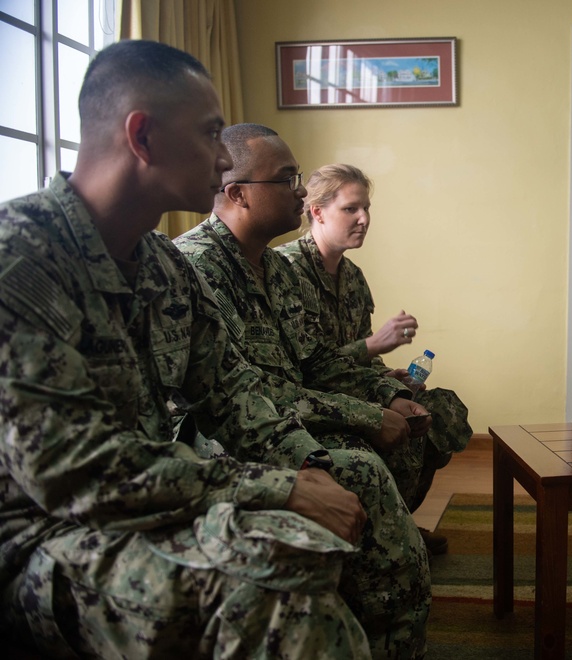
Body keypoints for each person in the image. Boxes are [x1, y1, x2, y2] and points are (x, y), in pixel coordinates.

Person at [0, 40, 372, 658]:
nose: (224, 156)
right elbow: (76, 473)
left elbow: (233, 392)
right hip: (39, 533)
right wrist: (273, 489)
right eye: (211, 133)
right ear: (142, 137)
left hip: (152, 500)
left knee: (321, 535)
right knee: (275, 597)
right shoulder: (22, 261)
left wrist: (312, 470)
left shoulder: (164, 268)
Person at [174, 123, 431, 658]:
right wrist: (362, 417)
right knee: (361, 467)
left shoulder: (273, 267)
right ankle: (375, 613)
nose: (299, 190)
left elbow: (314, 363)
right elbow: (242, 394)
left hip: (284, 416)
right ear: (236, 193)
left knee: (404, 433)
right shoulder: (196, 267)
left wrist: (382, 398)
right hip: (225, 437)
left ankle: (368, 608)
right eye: (286, 179)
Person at [277, 163, 473, 555]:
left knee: (438, 410)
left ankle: (401, 522)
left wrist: (390, 376)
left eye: (366, 208)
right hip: (311, 398)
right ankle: (383, 537)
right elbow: (303, 366)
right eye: (351, 209)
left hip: (357, 388)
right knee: (403, 429)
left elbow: (360, 360)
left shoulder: (352, 277)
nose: (364, 219)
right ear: (317, 211)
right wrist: (372, 349)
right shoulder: (286, 271)